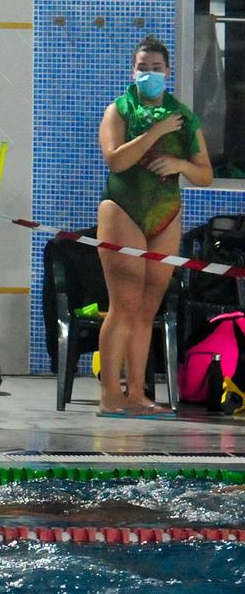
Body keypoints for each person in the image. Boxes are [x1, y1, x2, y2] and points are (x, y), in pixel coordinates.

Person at [94, 37, 213, 417]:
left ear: (168, 72)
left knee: (146, 309)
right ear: (133, 71)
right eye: (142, 67)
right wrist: (155, 134)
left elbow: (205, 175)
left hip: (165, 214)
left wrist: (181, 166)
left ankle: (137, 394)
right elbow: (116, 161)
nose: (149, 74)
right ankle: (110, 393)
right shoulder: (119, 111)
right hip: (122, 210)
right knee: (123, 305)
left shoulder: (184, 117)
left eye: (156, 68)